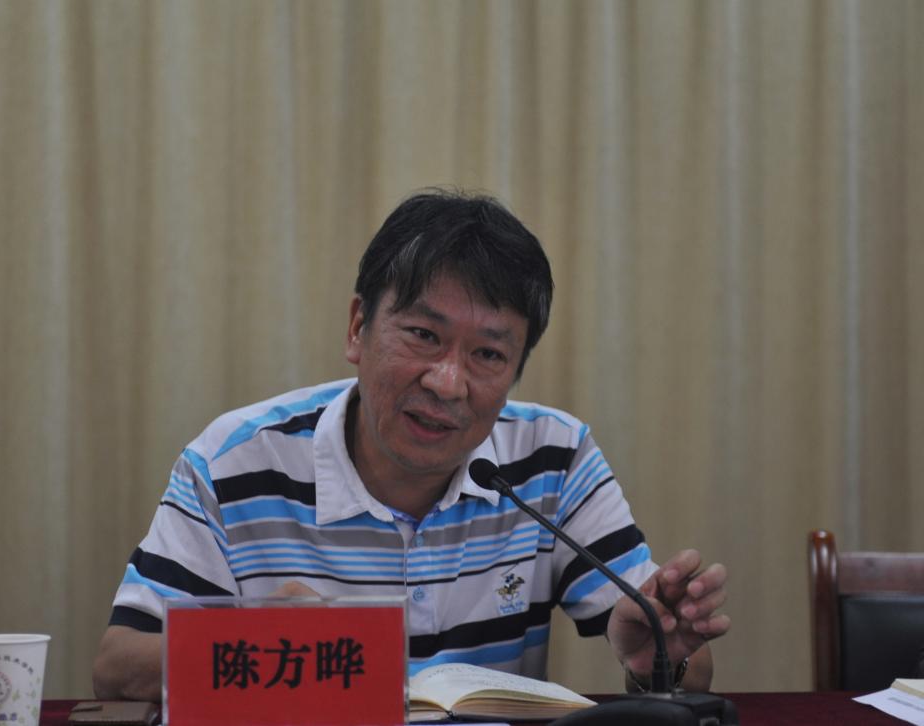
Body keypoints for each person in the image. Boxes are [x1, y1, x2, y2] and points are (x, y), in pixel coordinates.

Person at [92, 189, 730, 701]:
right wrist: (269, 644)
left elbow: (688, 670)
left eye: (487, 354)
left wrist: (657, 657)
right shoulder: (235, 460)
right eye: (423, 335)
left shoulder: (553, 458)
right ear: (358, 328)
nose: (448, 382)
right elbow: (118, 668)